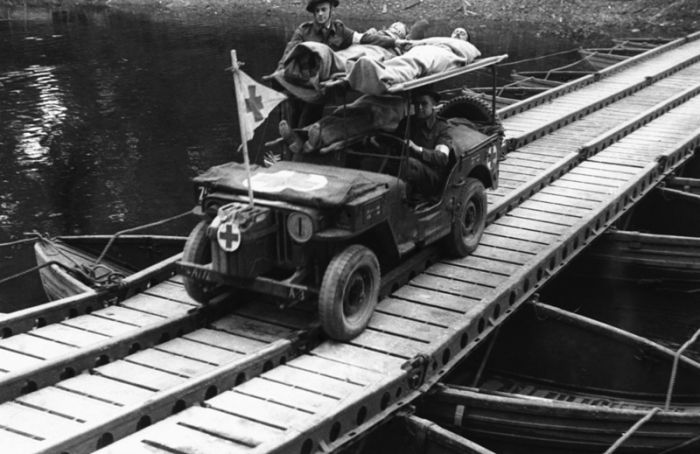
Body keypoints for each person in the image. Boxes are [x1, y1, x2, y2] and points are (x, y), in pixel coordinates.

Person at [345, 27, 480, 95]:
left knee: (417, 62)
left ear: (466, 40)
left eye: (462, 33)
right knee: (404, 59)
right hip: (428, 48)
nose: (457, 33)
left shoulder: (466, 47)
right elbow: (422, 42)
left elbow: (473, 54)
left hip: (446, 54)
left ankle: (387, 77)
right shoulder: (440, 39)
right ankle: (376, 70)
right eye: (455, 31)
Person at [396, 86, 453, 198]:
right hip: (405, 170)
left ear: (433, 105)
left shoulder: (441, 127)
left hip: (431, 178)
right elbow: (395, 140)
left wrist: (418, 149)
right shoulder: (406, 123)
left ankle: (404, 201)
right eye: (416, 104)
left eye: (424, 103)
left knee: (410, 163)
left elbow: (442, 158)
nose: (419, 107)